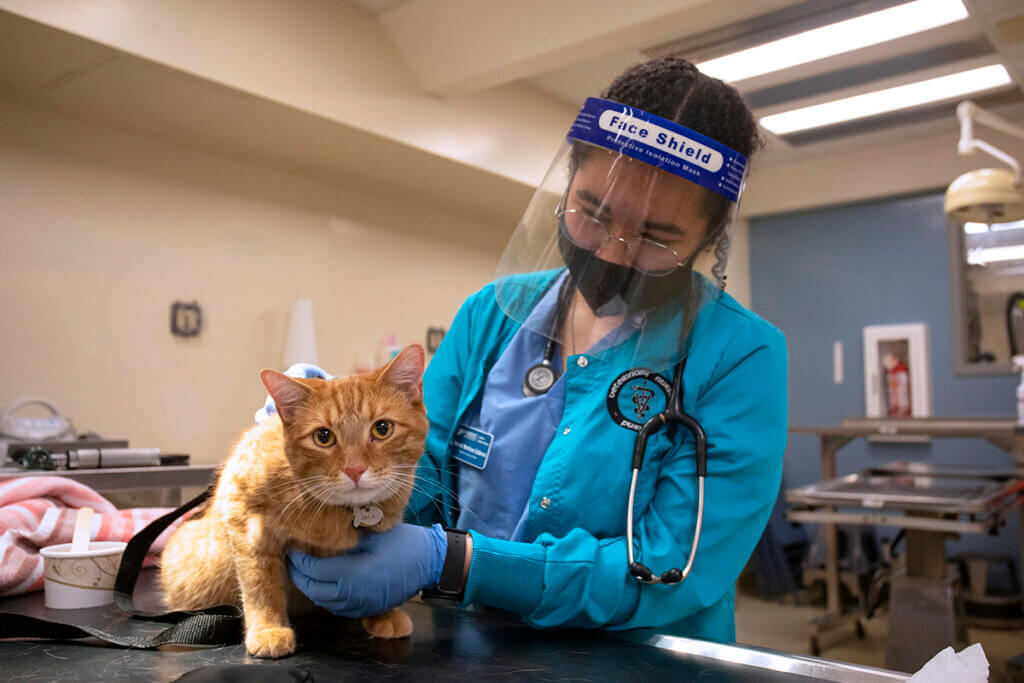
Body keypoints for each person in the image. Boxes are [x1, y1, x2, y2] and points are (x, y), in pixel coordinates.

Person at [272, 57, 788, 643]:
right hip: (467, 653)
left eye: (655, 238)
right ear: (568, 180)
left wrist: (460, 563)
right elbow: (418, 484)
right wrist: (318, 477)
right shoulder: (489, 316)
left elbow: (671, 567)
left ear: (708, 239)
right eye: (592, 214)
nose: (613, 254)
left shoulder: (741, 358)